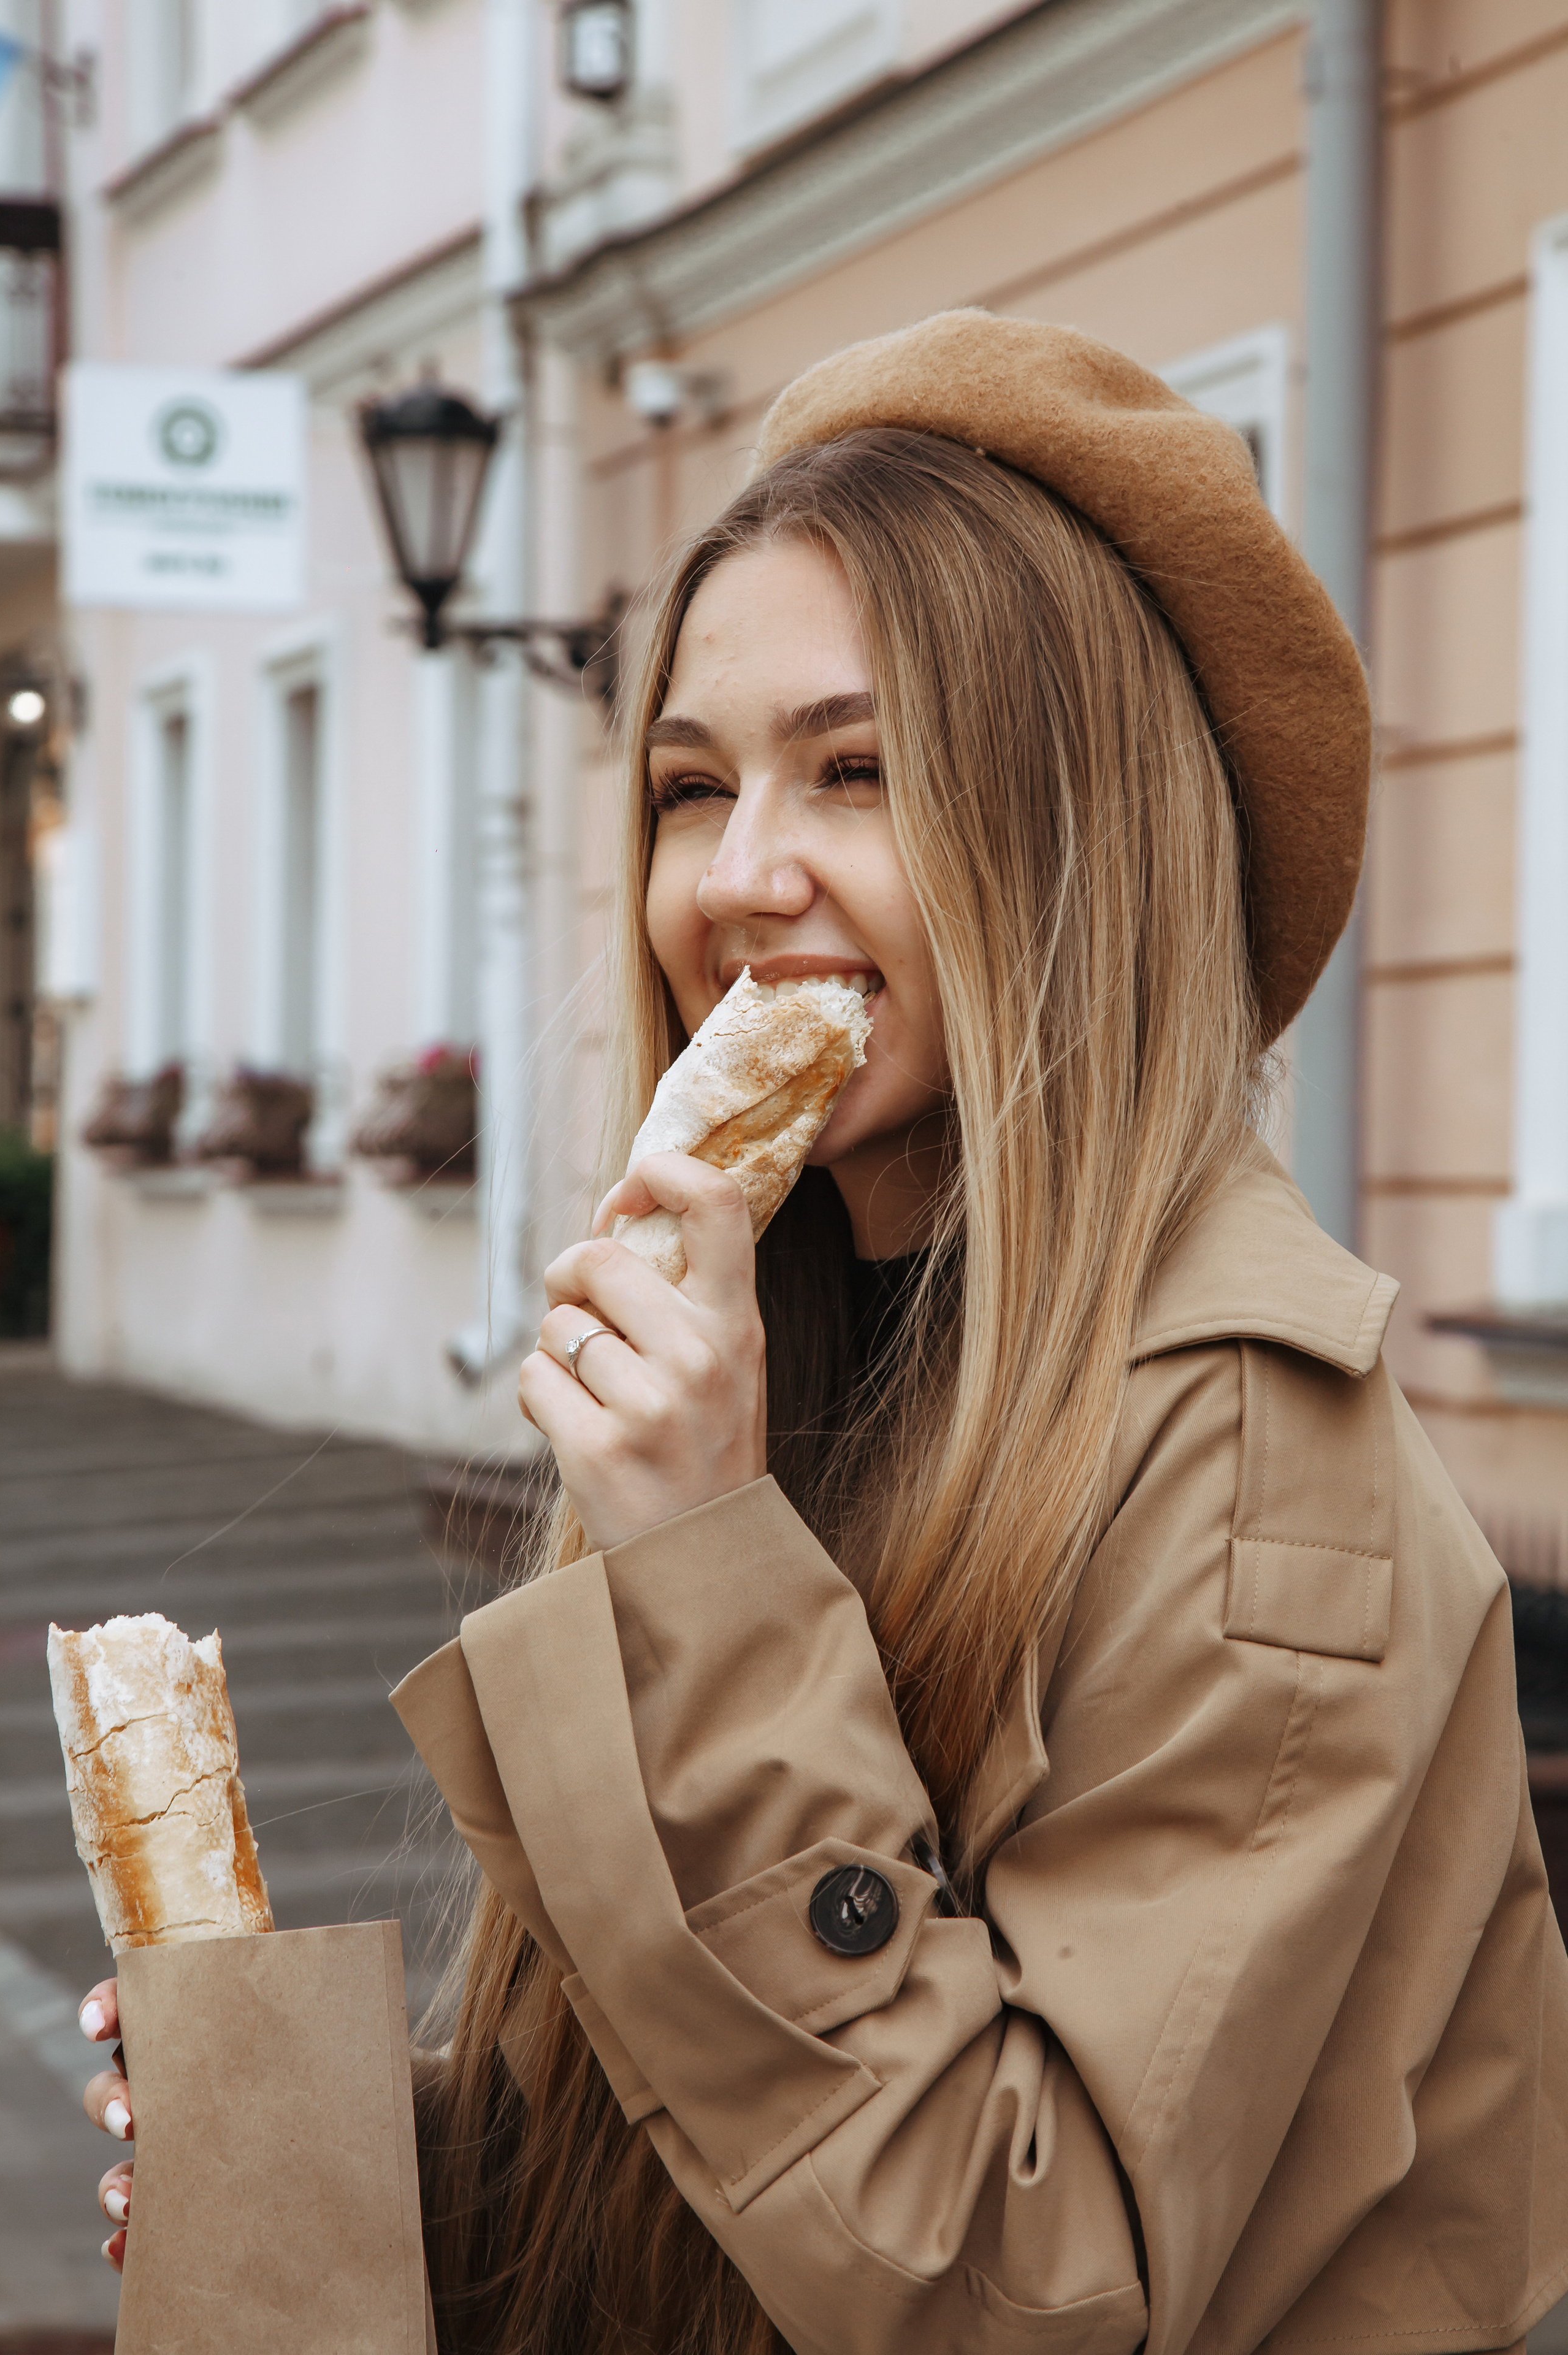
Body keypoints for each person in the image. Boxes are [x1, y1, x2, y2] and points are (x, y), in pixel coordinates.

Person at [80, 313, 1568, 2355]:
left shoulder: (1248, 1449)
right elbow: (739, 2158)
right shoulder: (818, 1353)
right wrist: (348, 2172)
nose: (736, 878)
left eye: (856, 772)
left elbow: (1026, 2286)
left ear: (1079, 837)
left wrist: (704, 1576)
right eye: (692, 788)